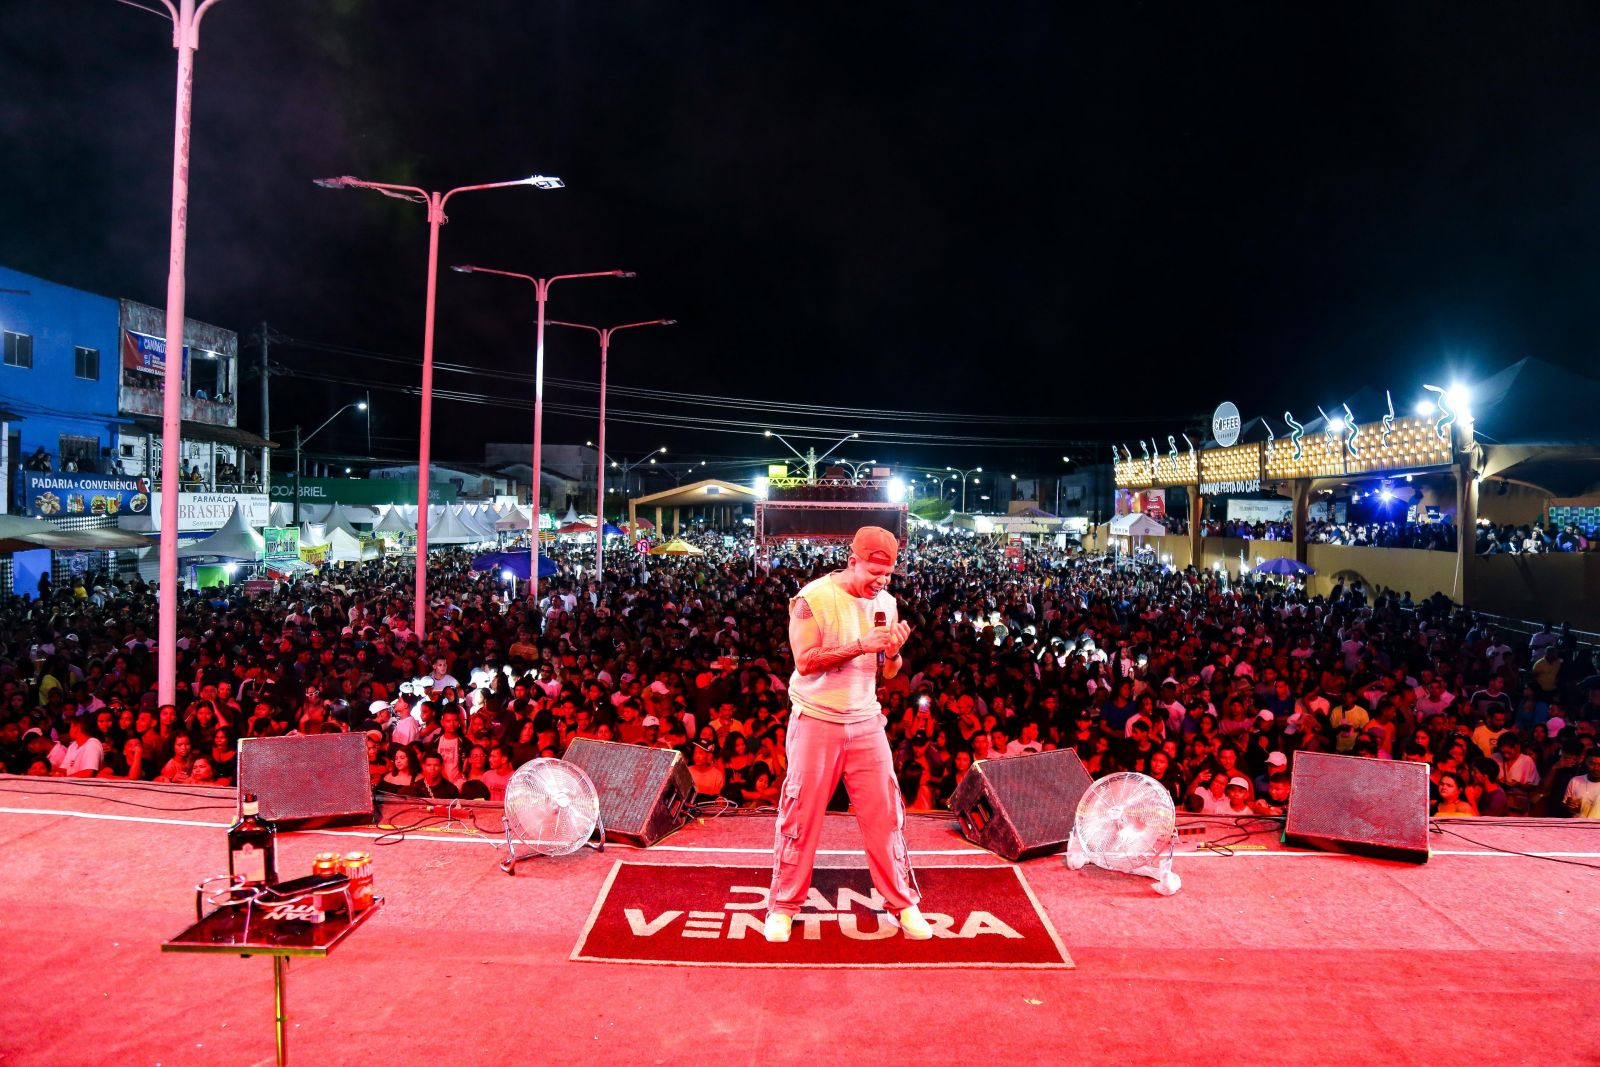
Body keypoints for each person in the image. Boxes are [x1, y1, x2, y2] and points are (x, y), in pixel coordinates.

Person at [766, 526, 927, 943]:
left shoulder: (887, 604)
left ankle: (902, 903)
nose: (881, 582)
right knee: (800, 817)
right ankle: (783, 906)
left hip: (866, 721)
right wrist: (859, 644)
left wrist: (891, 655)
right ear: (852, 560)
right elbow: (804, 662)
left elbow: (887, 673)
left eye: (888, 575)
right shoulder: (812, 599)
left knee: (886, 816)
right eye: (874, 572)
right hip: (816, 720)